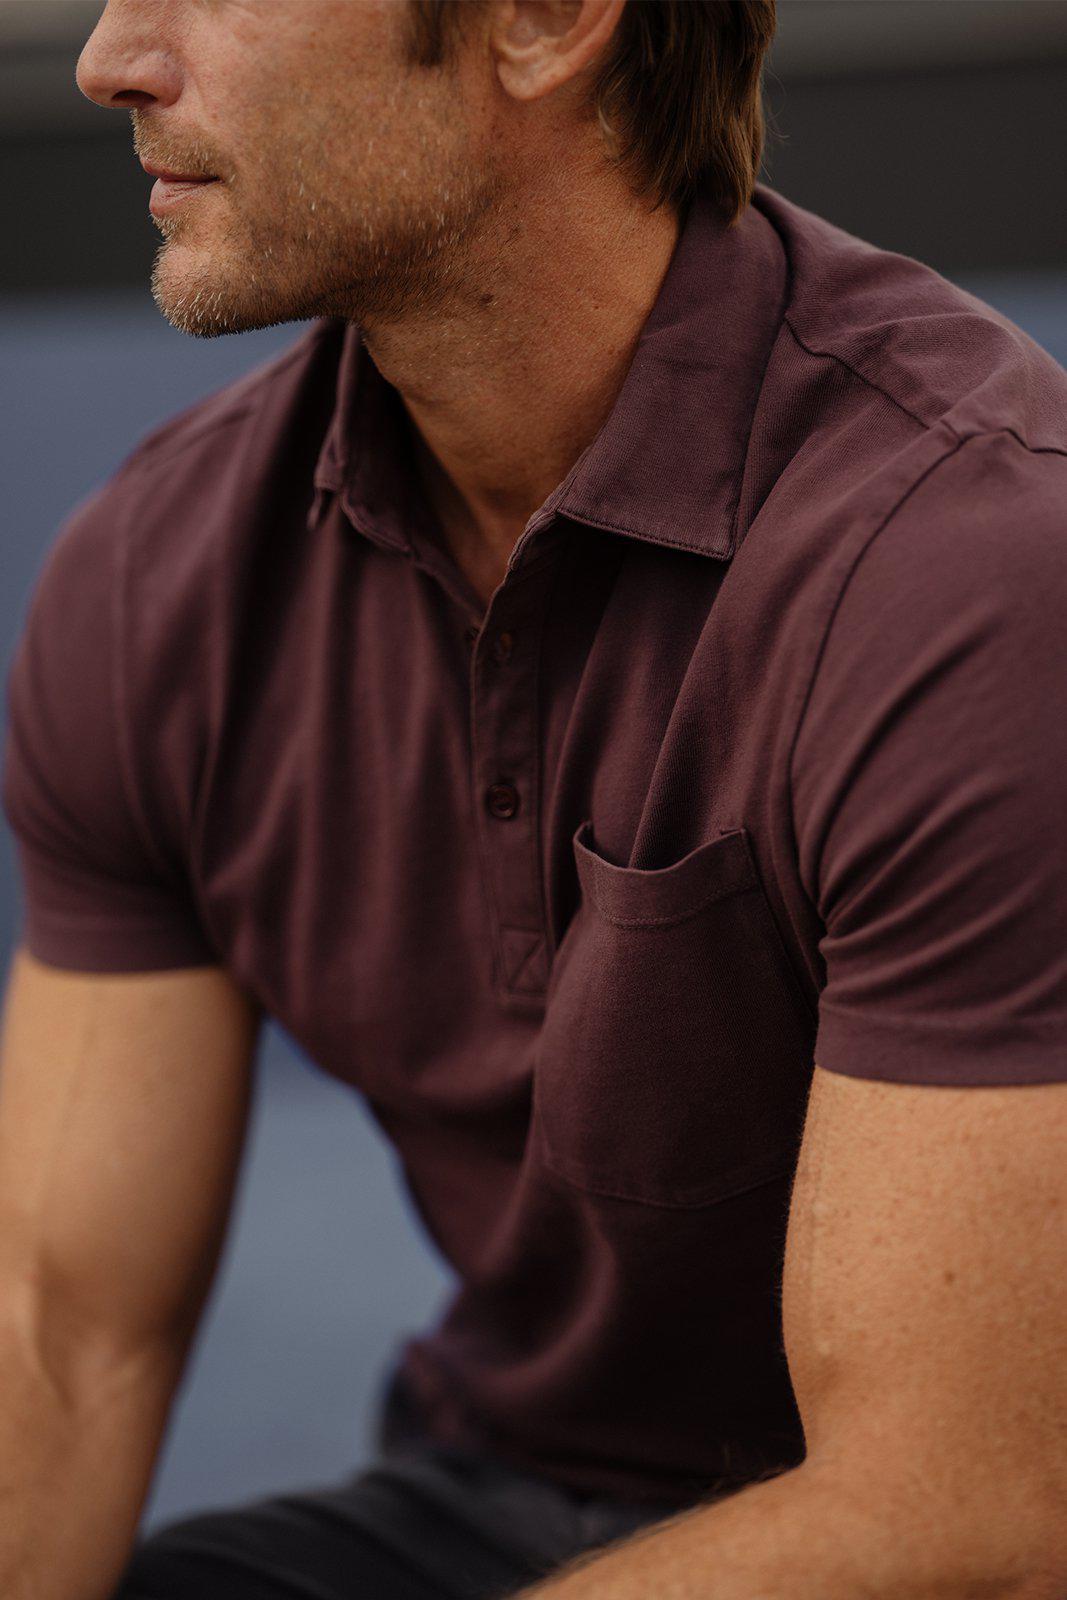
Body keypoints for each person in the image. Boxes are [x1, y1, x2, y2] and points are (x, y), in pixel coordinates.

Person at [1, 0, 1065, 1597]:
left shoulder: (969, 569)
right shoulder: (159, 582)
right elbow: (62, 1337)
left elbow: (961, 1519)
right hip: (511, 1491)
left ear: (546, 19)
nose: (110, 59)